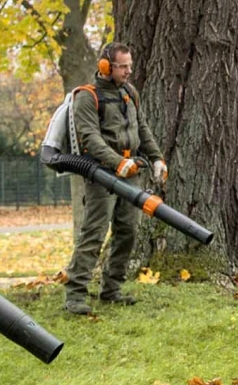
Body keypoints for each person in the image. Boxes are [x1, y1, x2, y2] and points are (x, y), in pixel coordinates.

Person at [63, 42, 167, 314]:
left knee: (128, 232)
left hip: (130, 173)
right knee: (94, 233)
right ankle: (75, 294)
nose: (129, 71)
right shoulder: (87, 97)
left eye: (130, 65)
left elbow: (141, 127)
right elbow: (90, 138)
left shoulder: (129, 93)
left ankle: (112, 289)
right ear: (105, 66)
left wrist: (156, 158)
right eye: (123, 66)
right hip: (102, 175)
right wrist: (116, 162)